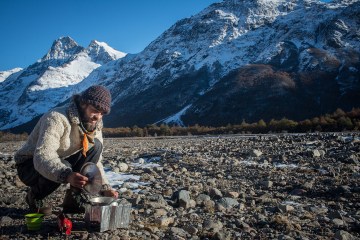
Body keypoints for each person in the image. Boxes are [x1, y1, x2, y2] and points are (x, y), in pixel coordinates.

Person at [15, 85, 118, 214]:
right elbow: (43, 156)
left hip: (62, 160)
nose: (98, 117)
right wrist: (67, 175)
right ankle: (35, 196)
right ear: (83, 104)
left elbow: (95, 163)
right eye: (95, 110)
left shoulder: (94, 125)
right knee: (64, 165)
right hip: (29, 165)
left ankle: (74, 198)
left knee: (95, 147)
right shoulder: (56, 118)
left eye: (102, 114)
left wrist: (104, 188)